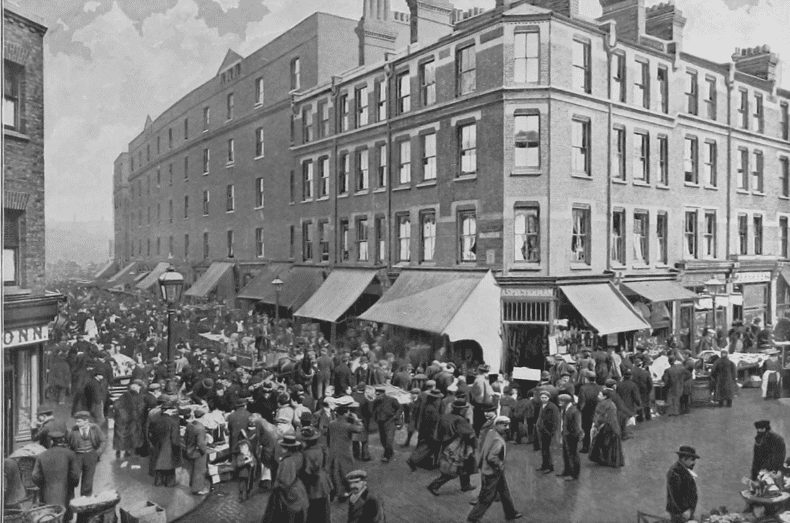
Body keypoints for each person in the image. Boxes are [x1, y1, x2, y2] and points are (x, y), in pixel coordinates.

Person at [465, 416, 522, 523]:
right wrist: (500, 464)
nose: (507, 427)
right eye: (504, 425)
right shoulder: (498, 440)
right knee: (487, 497)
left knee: (504, 492)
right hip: (492, 471)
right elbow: (491, 458)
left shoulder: (491, 432)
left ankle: (511, 513)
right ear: (497, 425)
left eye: (508, 425)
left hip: (491, 469)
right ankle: (473, 518)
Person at [427, 399, 476, 495]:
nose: (466, 410)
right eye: (465, 409)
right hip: (457, 447)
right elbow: (469, 434)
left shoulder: (445, 416)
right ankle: (434, 485)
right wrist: (474, 445)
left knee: (464, 466)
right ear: (461, 409)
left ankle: (465, 485)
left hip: (446, 445)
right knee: (452, 470)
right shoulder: (460, 420)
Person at [32, 431, 81, 523]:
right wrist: (71, 485)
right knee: (65, 519)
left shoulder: (41, 456)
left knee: (49, 518)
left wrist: (43, 485)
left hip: (46, 496)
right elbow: (75, 475)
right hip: (66, 496)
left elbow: (35, 476)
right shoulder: (70, 454)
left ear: (51, 441)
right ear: (63, 440)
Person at [262, 434, 309, 523]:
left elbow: (285, 481)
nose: (282, 449)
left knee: (283, 514)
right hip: (298, 486)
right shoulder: (299, 455)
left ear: (287, 448)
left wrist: (277, 485)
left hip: (288, 491)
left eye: (283, 447)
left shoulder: (287, 461)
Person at [67, 411, 107, 496]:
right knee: (74, 477)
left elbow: (103, 441)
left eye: (79, 421)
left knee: (88, 479)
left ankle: (85, 498)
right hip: (77, 456)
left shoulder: (95, 428)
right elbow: (68, 443)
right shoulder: (73, 430)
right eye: (76, 421)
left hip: (91, 456)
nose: (76, 423)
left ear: (86, 421)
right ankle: (70, 497)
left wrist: (98, 453)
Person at [328, 406, 364, 502]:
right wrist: (356, 419)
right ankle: (345, 491)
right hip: (345, 451)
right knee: (346, 471)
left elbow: (328, 437)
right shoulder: (348, 426)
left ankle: (337, 490)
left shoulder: (331, 424)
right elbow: (360, 429)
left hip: (333, 450)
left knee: (335, 471)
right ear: (345, 413)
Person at [299, 427, 333, 523]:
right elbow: (327, 464)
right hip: (324, 480)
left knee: (313, 510)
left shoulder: (306, 453)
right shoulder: (322, 448)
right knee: (324, 508)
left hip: (313, 485)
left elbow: (307, 471)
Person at [407, 389, 442, 471]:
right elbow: (432, 423)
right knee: (426, 448)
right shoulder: (432, 410)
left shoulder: (427, 406)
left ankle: (417, 460)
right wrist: (433, 434)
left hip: (424, 430)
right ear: (435, 400)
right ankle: (413, 460)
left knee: (424, 447)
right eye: (438, 400)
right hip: (429, 432)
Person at [147, 402, 181, 487]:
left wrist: (154, 443)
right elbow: (175, 439)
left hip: (158, 446)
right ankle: (169, 483)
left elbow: (150, 434)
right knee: (170, 469)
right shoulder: (173, 421)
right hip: (169, 449)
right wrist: (177, 449)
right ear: (168, 410)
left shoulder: (156, 420)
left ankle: (158, 482)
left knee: (159, 466)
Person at [589, 389, 624, 468]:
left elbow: (599, 417)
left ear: (604, 396)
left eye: (600, 395)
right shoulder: (611, 403)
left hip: (606, 426)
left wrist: (595, 425)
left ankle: (603, 459)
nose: (598, 396)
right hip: (613, 426)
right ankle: (612, 461)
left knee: (601, 443)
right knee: (612, 445)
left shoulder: (602, 404)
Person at [113, 379, 147, 459]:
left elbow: (116, 405)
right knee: (131, 436)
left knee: (122, 436)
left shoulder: (125, 395)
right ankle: (129, 451)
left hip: (123, 420)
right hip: (131, 420)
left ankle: (121, 450)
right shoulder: (139, 397)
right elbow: (140, 409)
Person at [666, 446, 700, 523]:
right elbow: (675, 495)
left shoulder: (683, 470)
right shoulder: (675, 472)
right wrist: (685, 510)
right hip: (680, 513)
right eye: (692, 460)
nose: (694, 463)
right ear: (684, 458)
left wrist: (690, 509)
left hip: (686, 512)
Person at [370, 385, 402, 463]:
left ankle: (386, 456)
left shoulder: (392, 400)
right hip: (380, 423)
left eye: (378, 394)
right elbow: (372, 410)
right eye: (376, 394)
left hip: (390, 422)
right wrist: (375, 418)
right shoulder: (375, 402)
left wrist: (396, 417)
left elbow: (400, 408)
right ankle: (390, 452)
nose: (377, 396)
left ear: (383, 393)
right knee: (383, 440)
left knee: (389, 439)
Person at [184, 408, 210, 495]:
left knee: (193, 469)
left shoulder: (189, 425)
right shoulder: (200, 428)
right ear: (202, 417)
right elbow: (200, 443)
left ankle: (192, 484)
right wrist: (204, 450)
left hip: (190, 450)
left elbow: (185, 437)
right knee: (200, 470)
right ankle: (197, 489)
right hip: (198, 452)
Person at [558, 394, 583, 481]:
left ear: (566, 401)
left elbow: (577, 426)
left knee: (573, 455)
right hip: (566, 435)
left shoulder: (574, 411)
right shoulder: (565, 409)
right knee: (566, 454)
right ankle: (567, 471)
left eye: (561, 401)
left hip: (571, 436)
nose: (559, 403)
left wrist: (575, 436)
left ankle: (574, 474)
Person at [535, 389, 559, 474]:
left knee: (547, 449)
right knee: (544, 449)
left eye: (545, 397)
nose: (543, 399)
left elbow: (555, 420)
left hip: (548, 430)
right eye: (542, 397)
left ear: (548, 398)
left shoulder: (552, 407)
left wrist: (552, 431)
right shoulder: (542, 406)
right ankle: (544, 465)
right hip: (542, 430)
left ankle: (549, 466)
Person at [577, 371, 600, 453]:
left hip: (586, 412)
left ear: (586, 378)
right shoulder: (600, 387)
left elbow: (582, 402)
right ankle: (596, 448)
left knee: (586, 429)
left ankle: (586, 447)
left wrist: (579, 410)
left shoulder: (583, 388)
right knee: (596, 429)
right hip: (597, 411)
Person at [469, 365, 494, 435]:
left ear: (479, 371)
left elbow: (480, 394)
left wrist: (478, 404)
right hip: (485, 404)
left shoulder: (479, 380)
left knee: (478, 424)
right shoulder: (484, 380)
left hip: (480, 405)